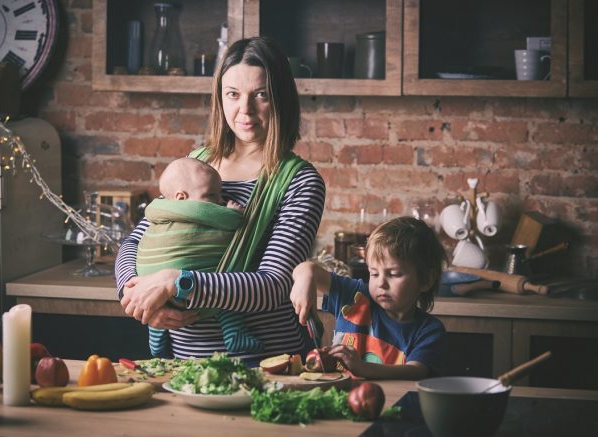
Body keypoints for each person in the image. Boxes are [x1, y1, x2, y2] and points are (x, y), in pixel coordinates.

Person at [116, 36, 326, 362]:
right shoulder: (196, 163)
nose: (245, 110)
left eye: (261, 95)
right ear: (219, 99)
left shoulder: (299, 181)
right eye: (233, 95)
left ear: (281, 98)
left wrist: (177, 282)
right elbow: (136, 242)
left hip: (263, 363)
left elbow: (272, 286)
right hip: (184, 364)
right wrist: (136, 292)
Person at [290, 217, 447, 380]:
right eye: (374, 273)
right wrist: (305, 278)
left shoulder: (429, 330)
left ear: (426, 281)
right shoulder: (355, 297)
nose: (381, 283)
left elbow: (416, 371)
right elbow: (307, 269)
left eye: (394, 274)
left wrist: (363, 368)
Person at [138, 157, 264, 358]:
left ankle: (156, 336)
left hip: (154, 285)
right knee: (228, 286)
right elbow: (234, 223)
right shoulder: (198, 204)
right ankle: (235, 334)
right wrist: (234, 213)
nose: (220, 201)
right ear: (180, 197)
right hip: (185, 288)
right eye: (212, 195)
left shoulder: (159, 210)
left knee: (163, 304)